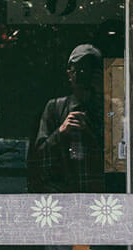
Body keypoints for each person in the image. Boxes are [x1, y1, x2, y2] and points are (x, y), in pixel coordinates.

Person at [28, 44, 107, 194]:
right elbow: (38, 161)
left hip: (103, 198)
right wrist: (61, 132)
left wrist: (102, 97)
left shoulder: (111, 109)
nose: (83, 74)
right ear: (69, 74)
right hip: (64, 198)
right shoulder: (55, 108)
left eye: (89, 70)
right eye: (79, 69)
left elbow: (121, 157)